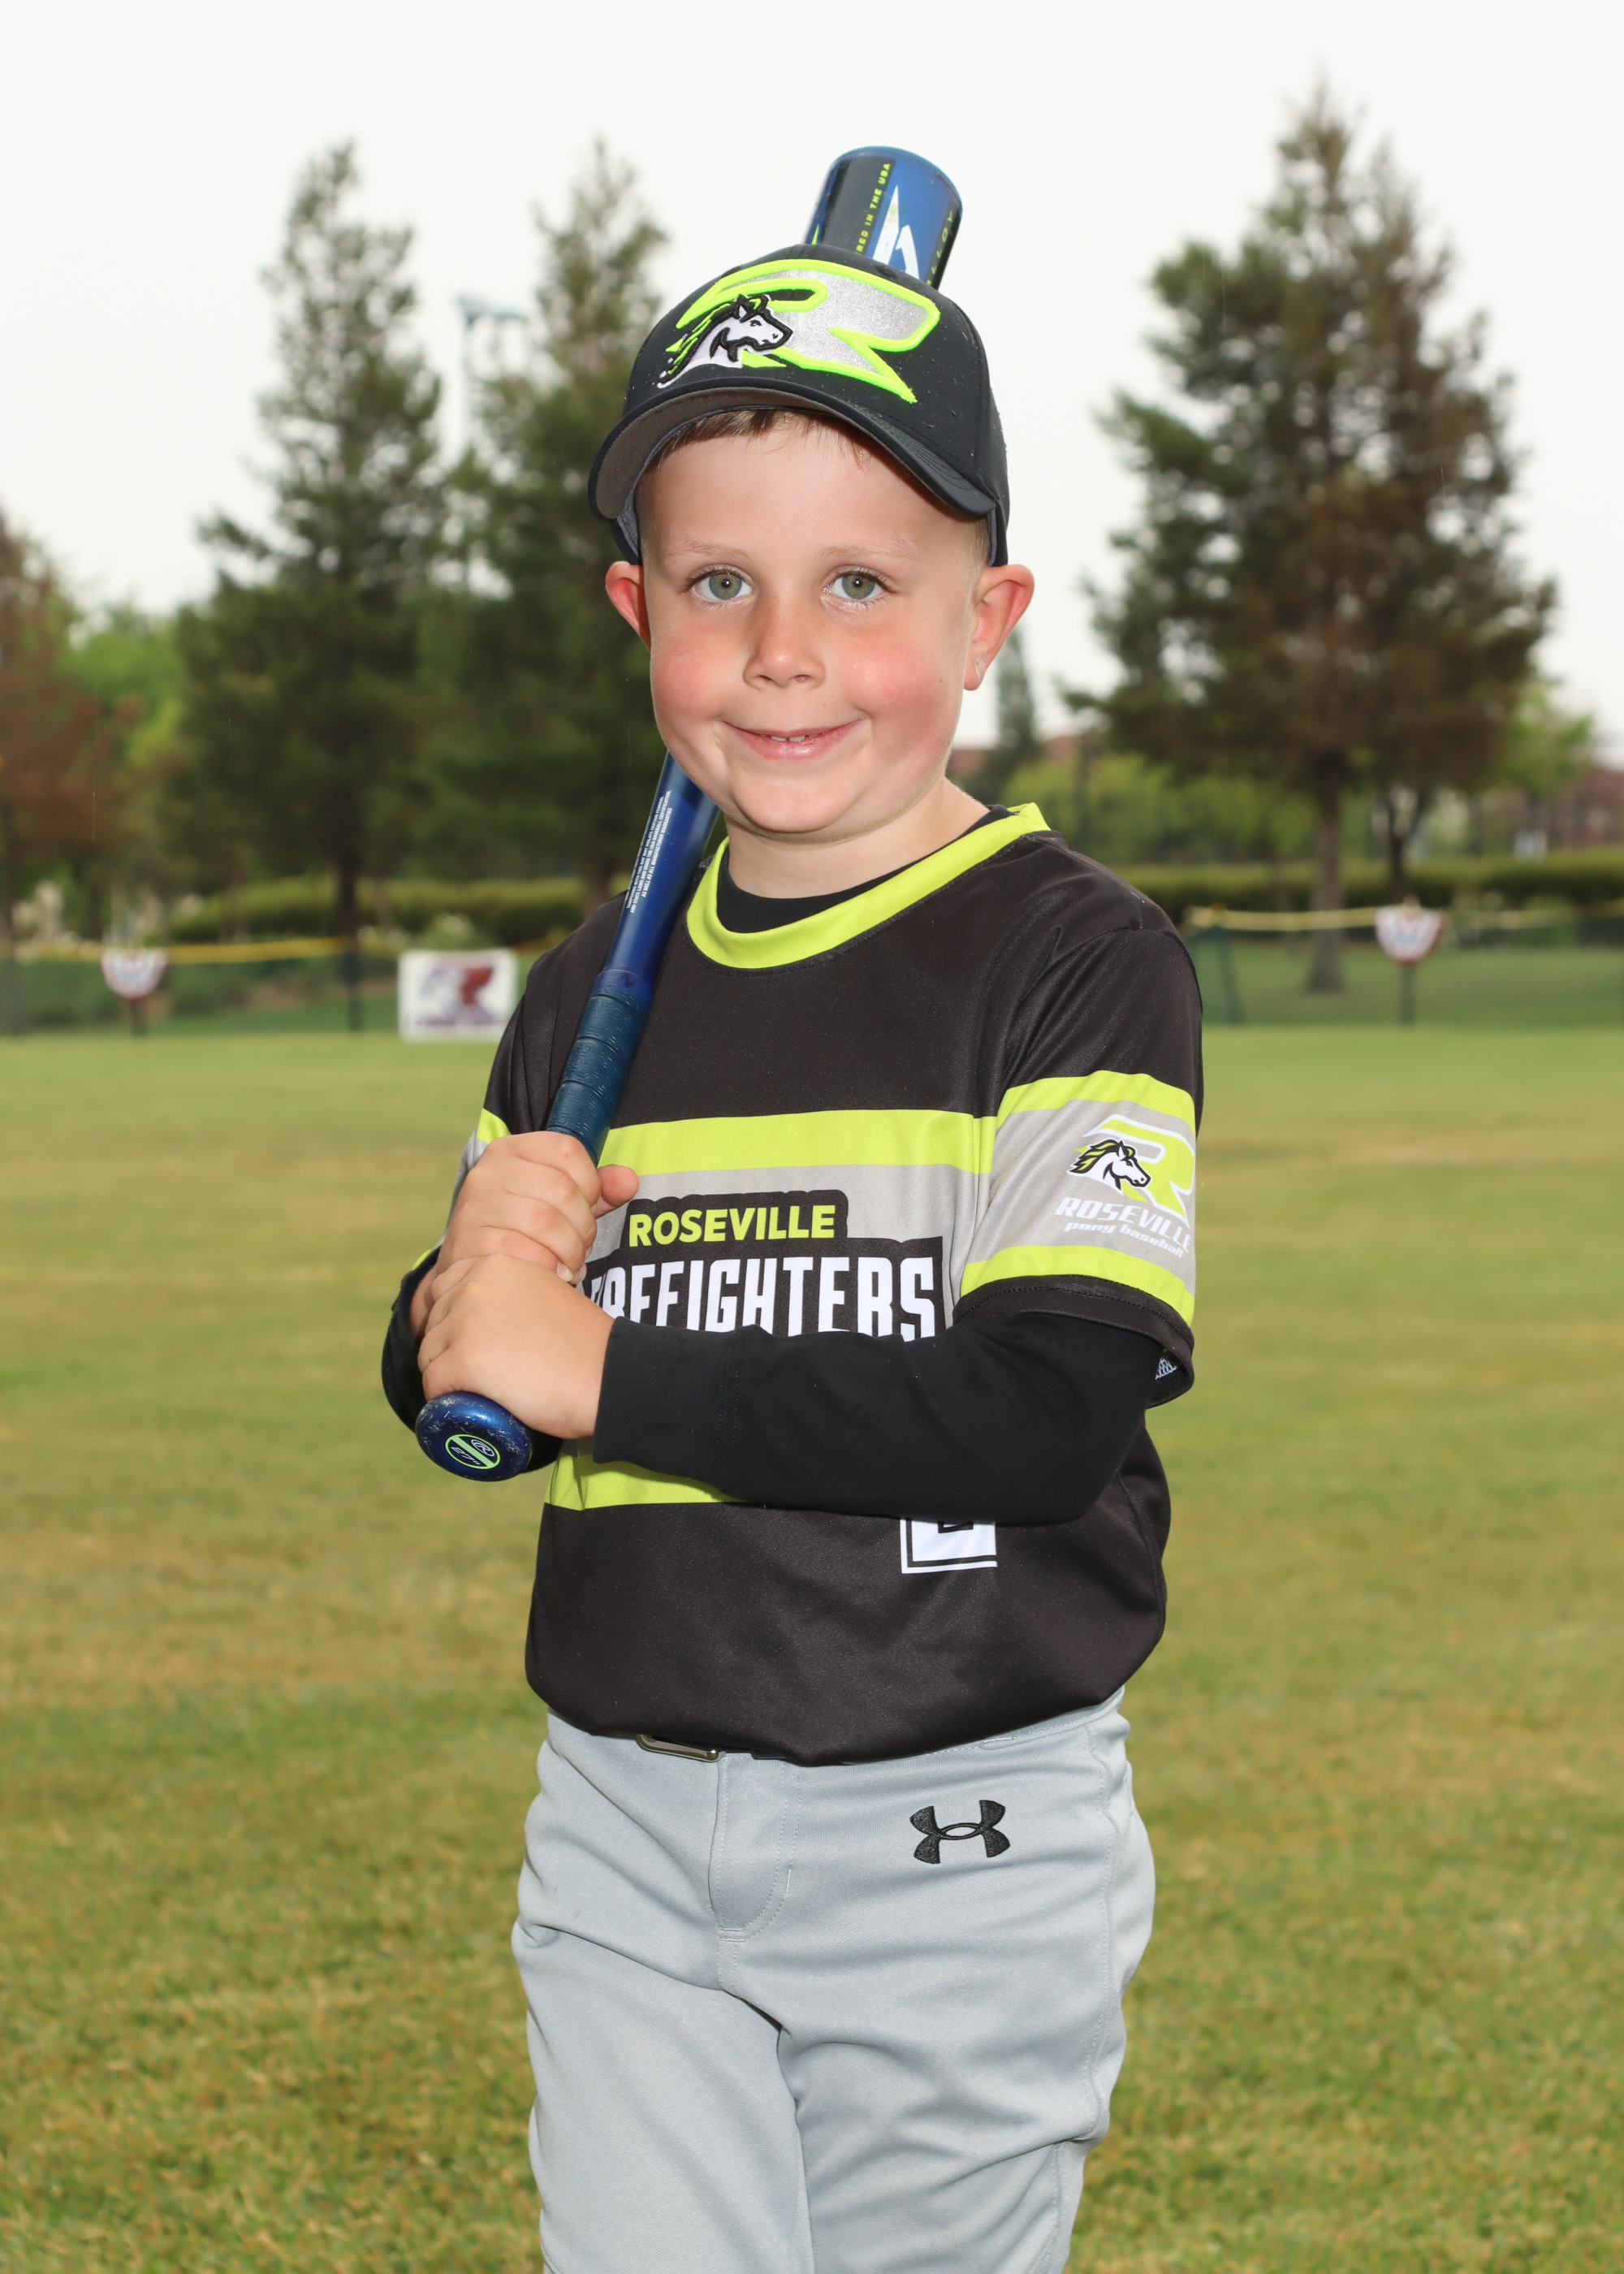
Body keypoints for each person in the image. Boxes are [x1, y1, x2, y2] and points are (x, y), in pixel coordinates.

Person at [382, 242, 1202, 2274]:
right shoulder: (592, 988)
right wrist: (448, 1307)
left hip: (958, 1843)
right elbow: (484, 1380)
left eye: (858, 583)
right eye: (717, 582)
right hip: (626, 1825)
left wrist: (593, 1368)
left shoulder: (1073, 960)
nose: (779, 652)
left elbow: (1041, 1416)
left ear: (985, 617)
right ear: (636, 611)